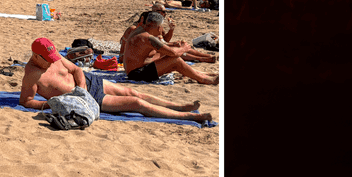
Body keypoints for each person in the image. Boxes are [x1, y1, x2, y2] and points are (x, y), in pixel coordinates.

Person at [19, 37, 210, 123]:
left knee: (134, 92)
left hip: (87, 83)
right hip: (84, 99)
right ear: (36, 57)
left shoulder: (53, 56)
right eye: (48, 60)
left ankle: (179, 106)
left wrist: (82, 87)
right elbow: (26, 101)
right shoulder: (32, 76)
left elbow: (76, 69)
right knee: (135, 103)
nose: (53, 61)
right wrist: (52, 104)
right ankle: (188, 117)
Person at [121, 12, 217, 85]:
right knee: (175, 60)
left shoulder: (140, 30)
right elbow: (173, 53)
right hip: (137, 74)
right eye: (161, 27)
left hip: (135, 70)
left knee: (170, 58)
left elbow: (164, 48)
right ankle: (203, 79)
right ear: (158, 27)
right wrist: (184, 48)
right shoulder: (147, 37)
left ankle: (201, 74)